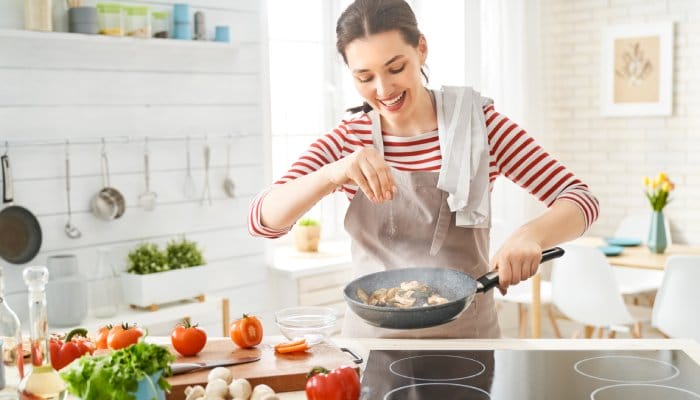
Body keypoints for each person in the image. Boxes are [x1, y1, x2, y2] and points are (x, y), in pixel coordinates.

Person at [249, 0, 599, 338]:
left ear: (422, 49)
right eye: (364, 76)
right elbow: (262, 220)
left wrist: (530, 235)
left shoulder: (480, 127)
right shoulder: (350, 139)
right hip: (372, 344)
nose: (383, 89)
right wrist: (332, 174)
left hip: (466, 341)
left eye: (395, 68)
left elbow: (581, 200)